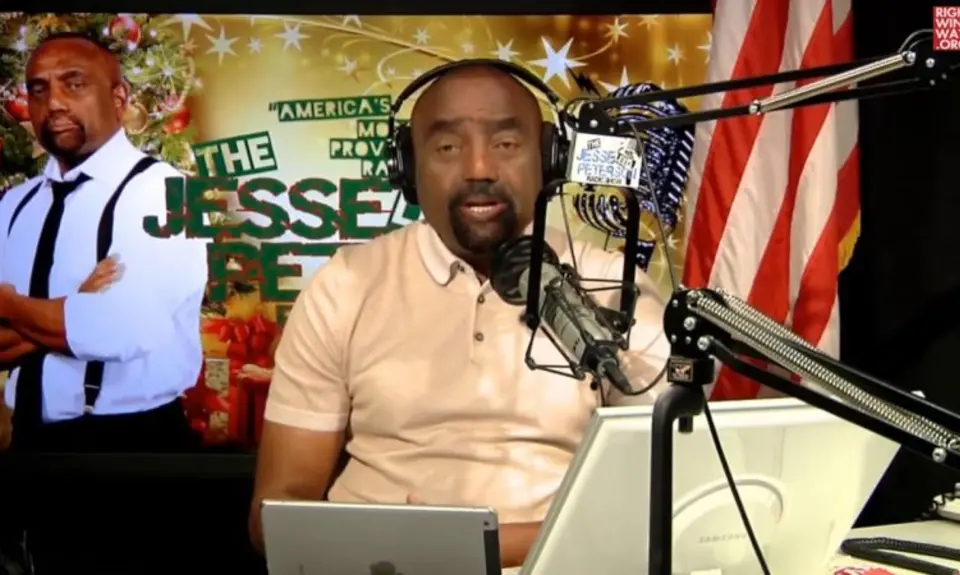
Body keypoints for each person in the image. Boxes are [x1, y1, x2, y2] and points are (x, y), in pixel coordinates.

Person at [249, 63, 671, 568]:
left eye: (506, 144)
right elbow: (277, 514)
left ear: (549, 159)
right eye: (448, 147)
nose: (478, 168)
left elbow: (664, 503)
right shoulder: (345, 285)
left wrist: (450, 547)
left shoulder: (612, 288)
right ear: (408, 168)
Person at [0, 32, 209, 574]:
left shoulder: (168, 193)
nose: (54, 103)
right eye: (39, 89)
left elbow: (122, 329)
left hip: (132, 450)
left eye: (74, 84)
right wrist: (77, 304)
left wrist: (11, 305)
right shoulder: (13, 206)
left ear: (119, 98)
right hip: (30, 448)